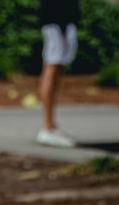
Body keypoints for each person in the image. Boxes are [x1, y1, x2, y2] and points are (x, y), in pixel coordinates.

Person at [37, 0, 81, 147]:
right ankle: (48, 127)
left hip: (61, 20)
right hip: (56, 20)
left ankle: (51, 126)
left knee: (55, 68)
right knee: (52, 67)